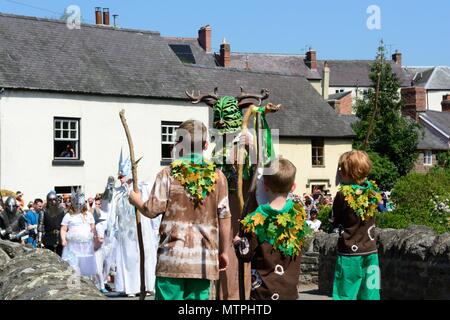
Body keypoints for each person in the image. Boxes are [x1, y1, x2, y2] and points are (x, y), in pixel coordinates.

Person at [129, 119, 231, 300]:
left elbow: (151, 210)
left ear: (178, 144)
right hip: (203, 261)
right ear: (206, 145)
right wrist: (224, 252)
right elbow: (224, 217)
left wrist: (136, 200)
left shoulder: (167, 174)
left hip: (171, 260)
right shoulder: (218, 176)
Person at [233, 158, 310, 300]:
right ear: (293, 187)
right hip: (290, 293)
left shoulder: (256, 218)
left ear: (265, 185)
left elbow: (246, 254)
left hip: (263, 293)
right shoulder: (298, 216)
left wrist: (238, 242)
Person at [102, 150, 161, 297]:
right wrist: (111, 227)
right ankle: (131, 287)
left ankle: (147, 285)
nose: (120, 179)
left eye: (122, 176)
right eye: (119, 176)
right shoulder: (117, 192)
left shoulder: (142, 188)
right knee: (129, 258)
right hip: (126, 230)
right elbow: (111, 210)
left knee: (145, 255)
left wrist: (156, 227)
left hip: (142, 227)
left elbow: (151, 206)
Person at [332, 150, 382, 300]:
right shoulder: (373, 192)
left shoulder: (343, 195)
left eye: (342, 170)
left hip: (349, 253)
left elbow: (335, 219)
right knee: (371, 292)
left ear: (349, 173)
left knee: (345, 293)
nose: (340, 173)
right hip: (371, 250)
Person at [60, 187, 97, 276]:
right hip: (73, 246)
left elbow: (93, 227)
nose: (78, 206)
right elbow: (63, 229)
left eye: (80, 203)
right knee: (73, 265)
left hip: (86, 246)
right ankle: (75, 284)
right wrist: (63, 239)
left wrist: (95, 238)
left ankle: (87, 284)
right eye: (76, 203)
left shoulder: (88, 215)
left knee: (86, 265)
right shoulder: (68, 215)